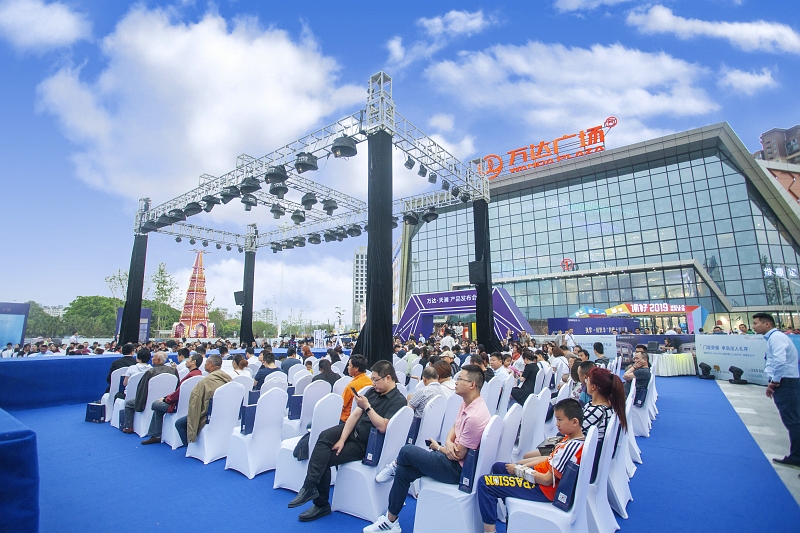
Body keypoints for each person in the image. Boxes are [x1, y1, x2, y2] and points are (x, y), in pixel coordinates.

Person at [365, 364, 491, 533]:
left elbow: (458, 454)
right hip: (449, 459)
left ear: (472, 385)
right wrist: (448, 442)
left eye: (460, 379)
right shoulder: (468, 404)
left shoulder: (475, 416)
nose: (456, 382)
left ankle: (395, 464)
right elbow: (454, 427)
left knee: (407, 451)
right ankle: (391, 520)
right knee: (403, 472)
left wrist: (439, 447)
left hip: (456, 470)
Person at [289, 361, 408, 522]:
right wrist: (342, 439)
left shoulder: (398, 400)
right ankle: (309, 486)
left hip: (366, 444)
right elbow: (355, 415)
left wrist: (367, 407)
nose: (373, 383)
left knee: (324, 458)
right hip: (354, 431)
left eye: (376, 380)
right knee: (324, 436)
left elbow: (383, 426)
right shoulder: (372, 391)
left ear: (388, 378)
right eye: (372, 379)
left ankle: (321, 504)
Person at [476, 399, 586, 532]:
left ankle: (490, 531)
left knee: (485, 484)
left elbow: (546, 480)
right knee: (499, 467)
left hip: (542, 489)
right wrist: (519, 465)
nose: (557, 424)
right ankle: (511, 516)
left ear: (574, 422)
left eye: (560, 420)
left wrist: (518, 470)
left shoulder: (571, 447)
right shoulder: (570, 439)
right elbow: (548, 459)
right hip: (540, 479)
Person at [753, 313, 800, 470]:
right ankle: (796, 455)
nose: (754, 327)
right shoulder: (774, 338)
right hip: (785, 382)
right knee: (793, 421)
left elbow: (780, 362)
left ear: (767, 324)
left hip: (786, 383)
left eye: (756, 323)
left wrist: (775, 381)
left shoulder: (776, 338)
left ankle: (797, 457)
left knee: (793, 421)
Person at [140, 353, 203, 445]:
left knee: (155, 405)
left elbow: (178, 393)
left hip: (177, 405)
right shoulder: (199, 375)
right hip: (188, 405)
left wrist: (165, 399)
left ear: (193, 362)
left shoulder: (190, 377)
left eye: (188, 359)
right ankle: (156, 435)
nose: (186, 361)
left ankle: (156, 435)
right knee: (158, 409)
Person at [174, 355, 231, 447]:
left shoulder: (205, 383)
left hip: (208, 416)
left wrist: (192, 431)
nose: (204, 364)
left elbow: (195, 406)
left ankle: (191, 447)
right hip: (224, 414)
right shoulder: (228, 379)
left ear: (211, 364)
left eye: (206, 362)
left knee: (179, 423)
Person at [122, 352, 179, 433]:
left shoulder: (150, 372)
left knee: (128, 403)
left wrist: (139, 404)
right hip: (167, 401)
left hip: (149, 402)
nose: (152, 359)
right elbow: (178, 387)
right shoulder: (173, 371)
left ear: (158, 360)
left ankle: (129, 427)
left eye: (154, 358)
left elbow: (142, 390)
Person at [340, 355, 372, 423]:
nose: (347, 367)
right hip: (364, 417)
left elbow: (342, 405)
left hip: (346, 419)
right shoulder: (371, 382)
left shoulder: (352, 386)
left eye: (349, 365)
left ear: (356, 368)